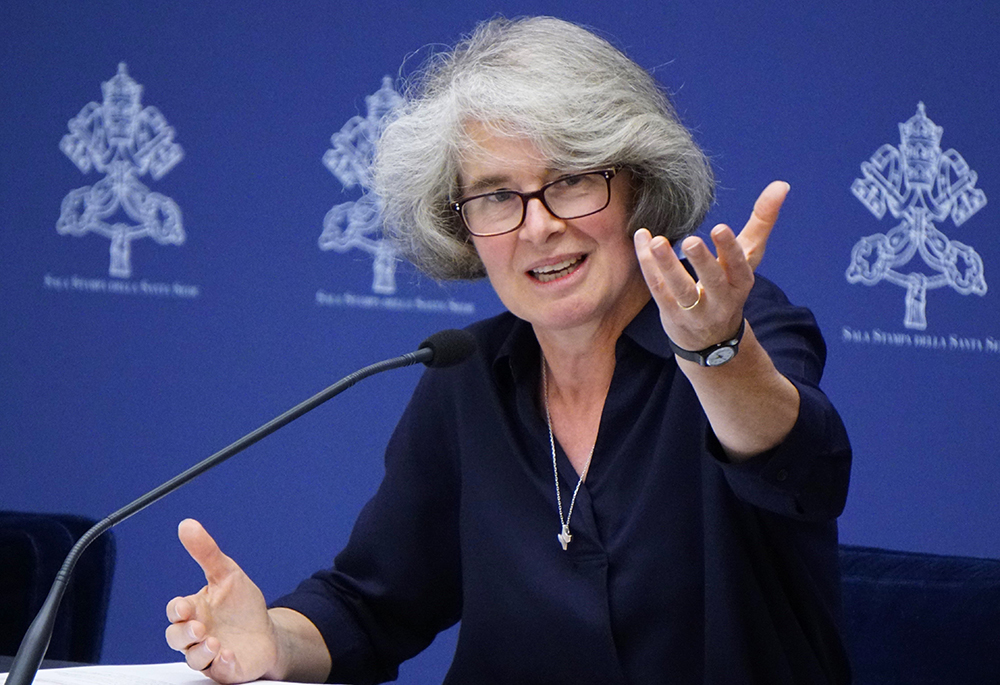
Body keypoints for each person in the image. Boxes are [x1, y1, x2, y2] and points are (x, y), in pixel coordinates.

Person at [165, 16, 852, 685]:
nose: (540, 226)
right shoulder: (467, 376)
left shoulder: (739, 326)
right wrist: (271, 643)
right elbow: (370, 606)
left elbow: (798, 467)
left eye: (573, 180)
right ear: (460, 225)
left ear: (636, 186)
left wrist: (717, 353)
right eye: (497, 195)